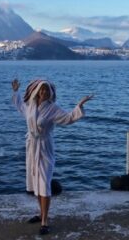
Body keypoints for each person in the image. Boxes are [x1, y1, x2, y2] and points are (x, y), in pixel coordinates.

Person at [11, 78, 93, 236]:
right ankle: (40, 214)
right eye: (42, 90)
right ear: (36, 91)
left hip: (45, 148)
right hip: (31, 147)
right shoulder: (30, 106)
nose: (44, 92)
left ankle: (45, 221)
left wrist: (79, 106)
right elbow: (20, 106)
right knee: (36, 183)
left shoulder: (52, 108)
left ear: (50, 93)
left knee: (44, 183)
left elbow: (68, 118)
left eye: (47, 90)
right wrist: (16, 92)